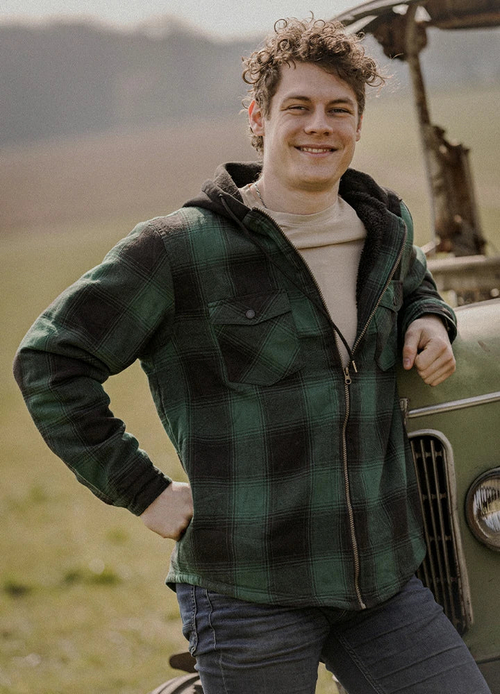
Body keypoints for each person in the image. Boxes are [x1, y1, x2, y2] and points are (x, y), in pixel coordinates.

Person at [14, 16, 491, 694]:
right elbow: (50, 361)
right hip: (249, 592)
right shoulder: (179, 249)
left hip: (383, 581)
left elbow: (416, 284)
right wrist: (142, 491)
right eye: (298, 106)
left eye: (339, 109)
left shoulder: (386, 226)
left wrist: (432, 319)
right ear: (259, 118)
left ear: (358, 124)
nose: (319, 125)